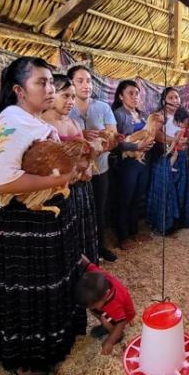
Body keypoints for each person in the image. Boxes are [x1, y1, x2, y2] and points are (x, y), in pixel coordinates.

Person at [0, 57, 84, 374]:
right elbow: (3, 183)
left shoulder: (33, 120)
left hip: (48, 215)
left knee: (52, 282)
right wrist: (57, 180)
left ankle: (51, 343)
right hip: (28, 221)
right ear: (19, 89)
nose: (49, 89)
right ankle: (31, 356)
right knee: (34, 286)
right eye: (40, 82)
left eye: (50, 83)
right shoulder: (11, 122)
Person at [41, 73, 99, 264]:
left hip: (82, 189)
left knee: (82, 230)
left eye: (73, 97)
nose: (71, 101)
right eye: (65, 95)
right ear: (50, 94)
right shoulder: (42, 125)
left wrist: (88, 166)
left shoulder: (74, 123)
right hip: (60, 190)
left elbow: (85, 153)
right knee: (66, 238)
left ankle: (88, 276)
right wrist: (78, 169)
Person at [67, 65, 119, 262]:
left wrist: (96, 146)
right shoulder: (65, 108)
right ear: (71, 84)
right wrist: (82, 137)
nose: (86, 85)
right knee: (76, 213)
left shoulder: (102, 107)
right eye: (79, 81)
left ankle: (100, 246)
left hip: (100, 168)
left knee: (99, 208)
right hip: (75, 173)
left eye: (88, 80)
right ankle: (78, 253)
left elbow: (113, 138)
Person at [112, 80, 154, 249]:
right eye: (130, 93)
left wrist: (147, 145)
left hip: (143, 161)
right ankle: (123, 236)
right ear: (121, 96)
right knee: (125, 198)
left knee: (138, 197)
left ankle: (134, 231)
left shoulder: (143, 115)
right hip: (127, 163)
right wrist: (137, 146)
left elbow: (150, 134)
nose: (135, 96)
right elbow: (115, 142)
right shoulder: (118, 114)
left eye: (137, 93)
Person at [146, 87, 189, 235]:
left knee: (180, 186)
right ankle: (166, 223)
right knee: (166, 186)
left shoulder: (182, 116)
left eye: (177, 97)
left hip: (181, 156)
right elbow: (156, 133)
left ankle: (178, 221)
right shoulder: (160, 116)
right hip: (165, 155)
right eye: (171, 97)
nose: (175, 100)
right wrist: (174, 140)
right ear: (163, 100)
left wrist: (185, 141)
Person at [75, 255, 136, 356]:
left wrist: (110, 342)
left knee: (104, 319)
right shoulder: (98, 277)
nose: (91, 307)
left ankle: (117, 334)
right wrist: (78, 254)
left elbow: (122, 321)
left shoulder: (113, 303)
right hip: (118, 312)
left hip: (124, 316)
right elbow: (87, 264)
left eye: (94, 304)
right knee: (94, 311)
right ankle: (108, 325)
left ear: (106, 294)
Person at [167, 108, 189, 172]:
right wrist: (169, 150)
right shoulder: (178, 130)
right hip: (169, 146)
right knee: (175, 155)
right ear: (179, 121)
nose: (186, 126)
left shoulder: (170, 119)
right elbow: (175, 141)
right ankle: (169, 166)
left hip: (167, 143)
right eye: (185, 123)